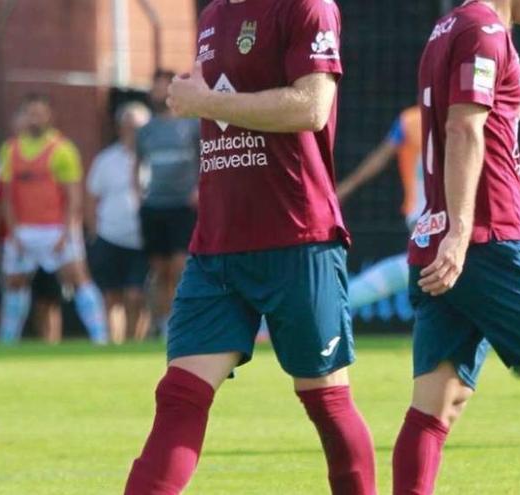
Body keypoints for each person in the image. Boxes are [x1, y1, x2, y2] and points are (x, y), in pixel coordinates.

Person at [123, 1, 375, 494]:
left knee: (325, 401)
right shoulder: (214, 13)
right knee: (178, 397)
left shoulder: (307, 7)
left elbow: (311, 106)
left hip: (297, 239)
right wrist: (193, 100)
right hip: (216, 245)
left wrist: (205, 103)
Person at [392, 1, 520, 494]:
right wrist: (462, 237)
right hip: (488, 246)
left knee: (437, 402)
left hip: (444, 239)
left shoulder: (447, 28)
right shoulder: (483, 31)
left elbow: (489, 151)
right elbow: (464, 130)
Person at [0, 93, 107, 345]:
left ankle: (101, 339)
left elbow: (73, 196)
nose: (35, 118)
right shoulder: (10, 149)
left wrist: (66, 232)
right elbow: (6, 197)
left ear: (49, 116)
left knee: (79, 279)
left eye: (40, 113)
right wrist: (13, 233)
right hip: (23, 230)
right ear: (24, 116)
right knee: (15, 285)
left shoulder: (62, 149)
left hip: (55, 229)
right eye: (30, 113)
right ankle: (6, 342)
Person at [337, 106, 423, 309]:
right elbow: (380, 158)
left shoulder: (410, 120)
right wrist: (345, 189)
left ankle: (333, 304)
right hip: (427, 213)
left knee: (423, 268)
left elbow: (380, 158)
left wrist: (344, 189)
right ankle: (332, 305)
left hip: (425, 213)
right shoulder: (410, 121)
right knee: (424, 268)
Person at [136, 70, 200, 336]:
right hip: (154, 206)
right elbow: (139, 165)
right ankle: (163, 326)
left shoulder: (192, 124)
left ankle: (183, 323)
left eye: (165, 87)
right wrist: (137, 193)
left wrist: (199, 189)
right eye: (157, 87)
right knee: (159, 271)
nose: (160, 92)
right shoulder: (146, 131)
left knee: (180, 267)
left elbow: (204, 159)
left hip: (183, 205)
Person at [86, 102, 152, 343]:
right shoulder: (106, 160)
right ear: (119, 128)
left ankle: (134, 343)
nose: (134, 132)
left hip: (142, 239)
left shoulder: (154, 160)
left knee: (136, 296)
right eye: (129, 127)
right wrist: (94, 232)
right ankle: (114, 345)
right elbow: (91, 198)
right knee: (111, 296)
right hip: (110, 236)